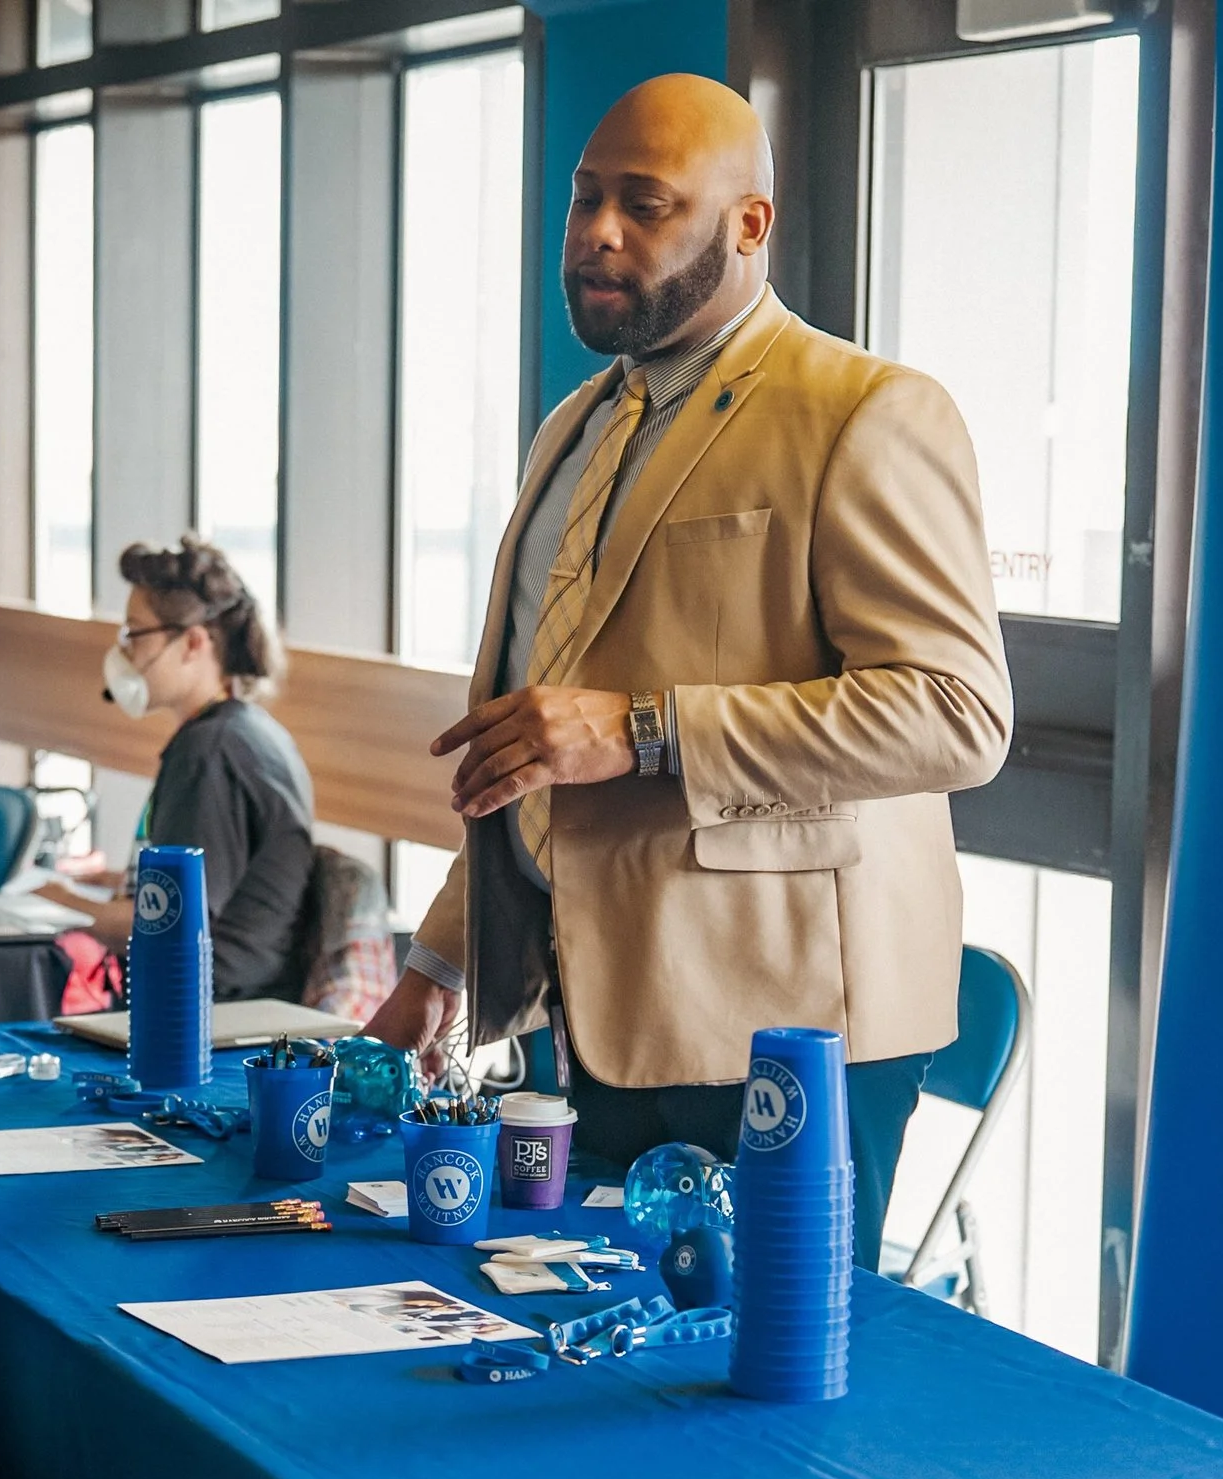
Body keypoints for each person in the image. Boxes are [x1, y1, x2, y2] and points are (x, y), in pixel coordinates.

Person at [361, 75, 1012, 1270]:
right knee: (605, 1384)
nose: (598, 232)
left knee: (770, 1404)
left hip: (786, 1026)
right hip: (592, 1019)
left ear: (748, 224)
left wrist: (650, 729)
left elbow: (956, 713)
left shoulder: (865, 413)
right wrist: (443, 958)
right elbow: (539, 730)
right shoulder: (574, 426)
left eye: (645, 205)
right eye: (584, 200)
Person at [46, 536, 316, 1003]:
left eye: (135, 634)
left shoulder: (209, 752)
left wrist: (51, 902)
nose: (124, 653)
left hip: (206, 1013)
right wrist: (109, 880)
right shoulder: (245, 731)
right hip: (225, 998)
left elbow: (167, 926)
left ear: (193, 642)